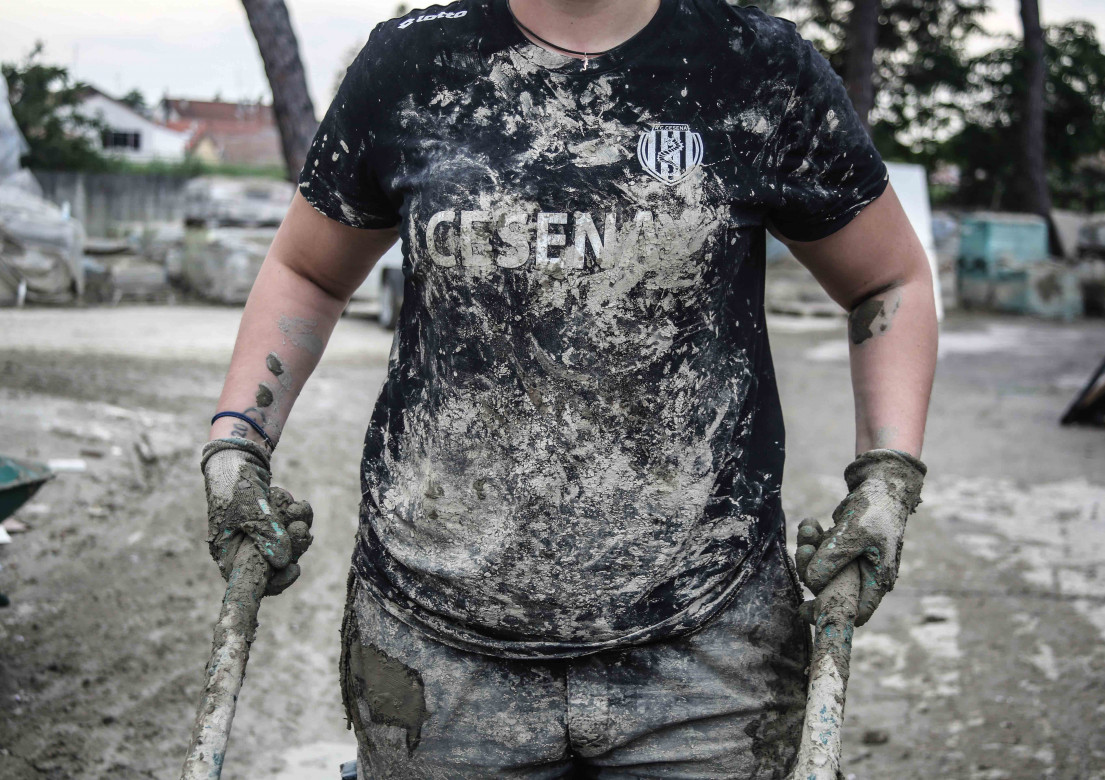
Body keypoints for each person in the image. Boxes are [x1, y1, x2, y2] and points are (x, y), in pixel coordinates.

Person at [200, 0, 938, 775]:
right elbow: (307, 272)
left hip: (709, 661)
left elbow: (889, 280)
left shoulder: (752, 65)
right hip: (438, 656)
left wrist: (887, 478)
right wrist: (236, 442)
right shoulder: (413, 63)